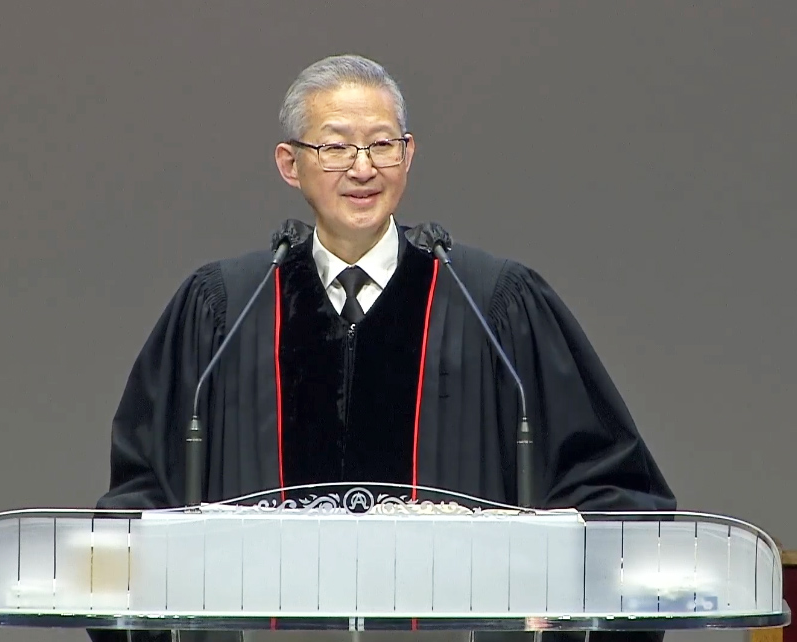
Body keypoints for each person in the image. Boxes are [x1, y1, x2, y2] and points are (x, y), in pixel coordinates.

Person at [91, 55, 675, 642]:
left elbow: (613, 490)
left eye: (382, 145)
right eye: (336, 147)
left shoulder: (493, 303)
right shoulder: (225, 309)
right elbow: (142, 500)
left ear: (408, 155)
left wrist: (553, 594)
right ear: (290, 164)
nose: (363, 168)